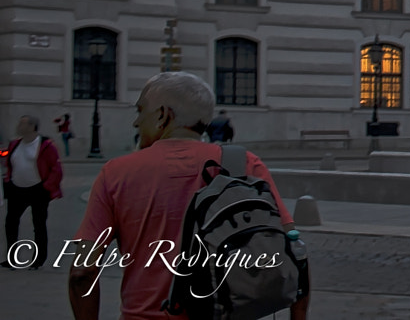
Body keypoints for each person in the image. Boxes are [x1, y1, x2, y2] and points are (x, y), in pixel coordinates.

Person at [64, 72, 309, 320]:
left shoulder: (116, 173)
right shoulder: (244, 164)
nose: (136, 122)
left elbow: (82, 272)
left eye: (140, 111)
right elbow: (295, 253)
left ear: (163, 115)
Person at [4, 114, 62, 268]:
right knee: (10, 223)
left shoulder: (46, 145)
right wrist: (8, 180)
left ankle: (38, 259)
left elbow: (56, 170)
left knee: (39, 225)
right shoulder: (15, 144)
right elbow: (10, 164)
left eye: (22, 124)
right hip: (17, 189)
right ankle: (12, 258)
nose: (19, 126)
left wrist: (46, 187)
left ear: (32, 127)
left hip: (38, 190)